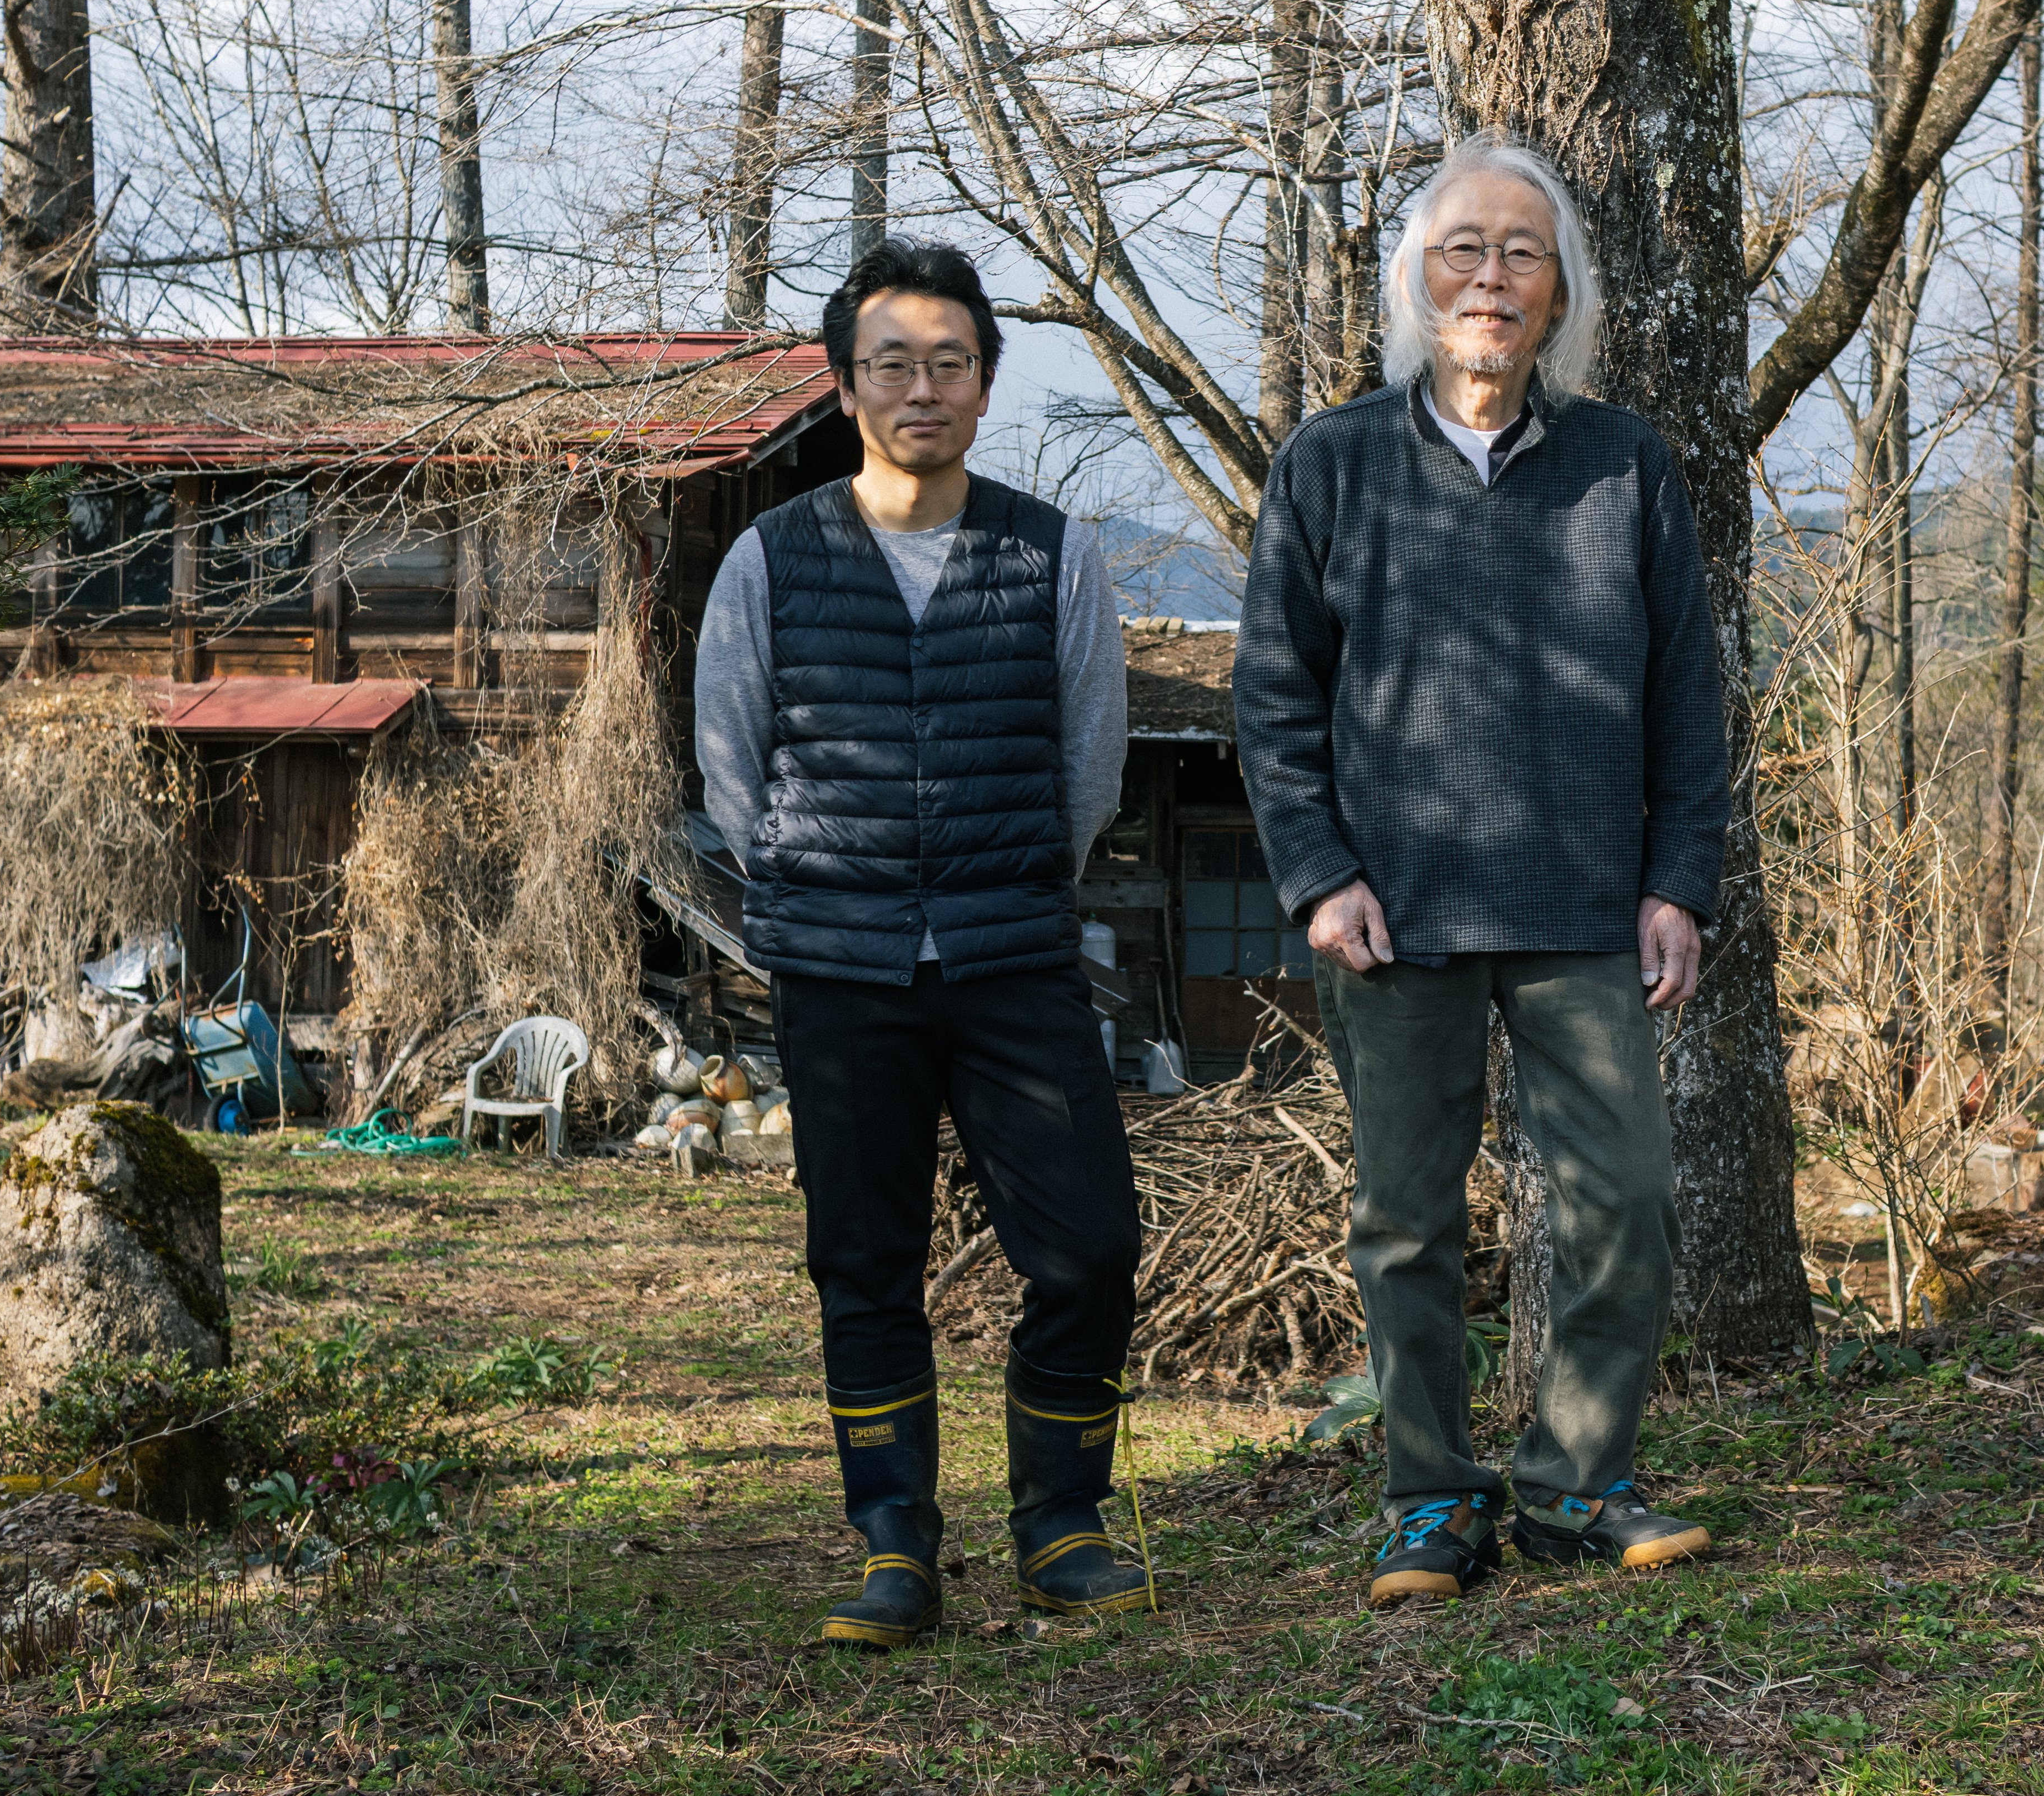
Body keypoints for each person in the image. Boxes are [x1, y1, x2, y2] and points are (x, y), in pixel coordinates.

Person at [1233, 130, 1731, 1606]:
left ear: (1558, 292)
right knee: (1403, 1220)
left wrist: (1677, 885)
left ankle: (1577, 1487)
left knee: (1624, 1203)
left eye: (1521, 253)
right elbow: (1270, 695)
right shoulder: (1329, 466)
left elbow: (1688, 701)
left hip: (1586, 913)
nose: (1490, 277)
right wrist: (1318, 873)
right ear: (1414, 281)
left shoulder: (1622, 467)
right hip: (1391, 921)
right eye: (1463, 248)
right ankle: (1428, 1503)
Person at [695, 237, 1150, 1647]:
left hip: (1013, 955)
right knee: (865, 1264)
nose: (922, 386)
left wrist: (998, 885)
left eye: (951, 361)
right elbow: (730, 760)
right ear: (845, 386)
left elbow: (1090, 764)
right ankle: (896, 1541)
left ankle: (1061, 1521)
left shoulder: (1050, 553)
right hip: (840, 970)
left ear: (986, 385)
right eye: (892, 361)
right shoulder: (772, 556)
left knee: (1086, 1245)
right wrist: (823, 896)